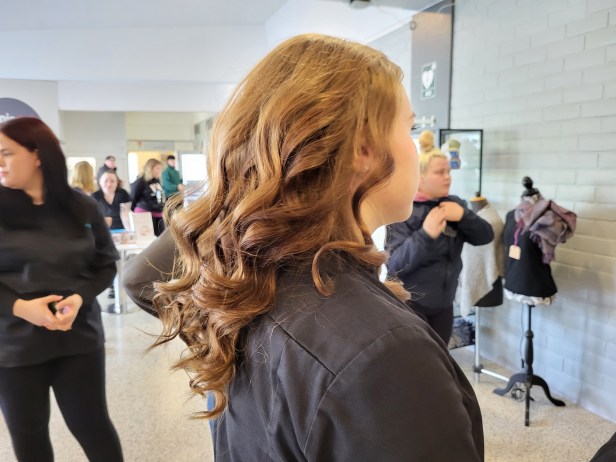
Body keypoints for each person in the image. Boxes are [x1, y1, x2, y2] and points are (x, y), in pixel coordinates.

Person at [124, 34, 484, 461]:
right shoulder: (384, 354)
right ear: (363, 149)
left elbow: (140, 277)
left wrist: (237, 185)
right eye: (409, 128)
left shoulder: (247, 287)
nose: (414, 146)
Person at [0, 117, 123, 461]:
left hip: (78, 338)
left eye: (7, 153)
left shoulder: (81, 206)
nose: (0, 162)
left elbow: (105, 264)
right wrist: (22, 308)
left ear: (37, 155)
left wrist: (79, 297)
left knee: (92, 426)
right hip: (14, 346)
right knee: (29, 435)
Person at [386, 149, 494, 345]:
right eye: (440, 172)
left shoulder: (454, 205)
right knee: (416, 361)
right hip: (411, 305)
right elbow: (395, 264)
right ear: (420, 177)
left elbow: (485, 236)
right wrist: (426, 234)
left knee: (441, 357)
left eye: (448, 171)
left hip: (445, 305)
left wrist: (463, 216)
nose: (447, 177)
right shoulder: (403, 210)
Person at [130, 158, 165, 236]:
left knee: (161, 238)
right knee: (148, 239)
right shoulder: (140, 182)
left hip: (158, 214)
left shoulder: (156, 180)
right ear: (150, 168)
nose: (159, 171)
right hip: (145, 214)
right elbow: (133, 198)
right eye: (157, 168)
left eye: (160, 169)